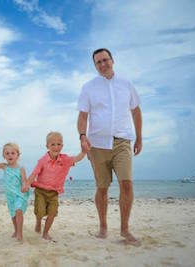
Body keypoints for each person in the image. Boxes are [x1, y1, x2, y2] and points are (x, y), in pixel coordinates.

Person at [77, 48, 142, 244]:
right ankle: (103, 227)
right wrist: (82, 136)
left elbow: (136, 111)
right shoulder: (88, 87)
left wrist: (139, 137)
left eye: (105, 60)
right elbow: (82, 116)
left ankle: (125, 229)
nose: (103, 64)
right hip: (97, 144)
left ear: (112, 60)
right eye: (98, 62)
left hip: (122, 141)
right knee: (102, 188)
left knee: (127, 184)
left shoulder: (126, 84)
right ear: (95, 65)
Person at [25, 132, 86, 240]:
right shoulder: (42, 160)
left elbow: (77, 158)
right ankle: (38, 221)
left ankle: (45, 233)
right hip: (41, 190)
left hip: (54, 192)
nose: (56, 147)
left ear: (62, 146)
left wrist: (84, 151)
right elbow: (34, 174)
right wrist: (27, 184)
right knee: (40, 211)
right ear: (47, 146)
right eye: (52, 144)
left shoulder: (65, 159)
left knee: (52, 213)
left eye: (58, 144)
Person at [0, 143, 30, 241]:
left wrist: (24, 185)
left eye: (13, 153)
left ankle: (20, 233)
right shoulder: (4, 166)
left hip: (19, 194)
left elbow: (24, 180)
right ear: (4, 156)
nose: (10, 155)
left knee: (18, 211)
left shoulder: (21, 168)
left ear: (17, 155)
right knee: (13, 214)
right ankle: (15, 230)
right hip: (10, 196)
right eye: (7, 153)